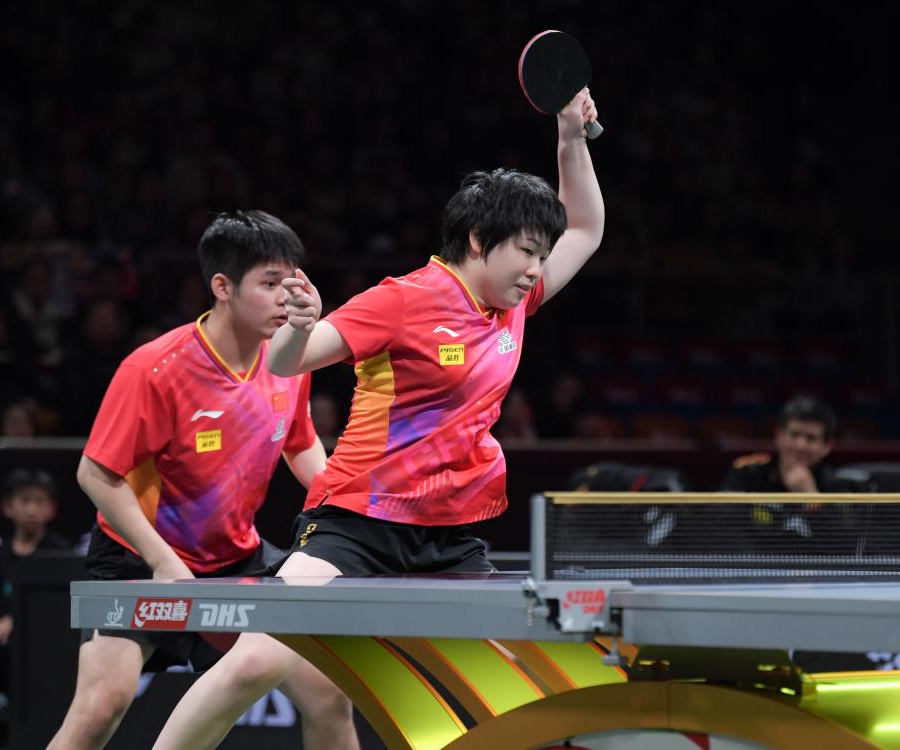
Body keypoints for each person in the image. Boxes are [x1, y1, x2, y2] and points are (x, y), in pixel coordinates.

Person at [153, 88, 602, 750]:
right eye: (527, 252)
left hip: (449, 535)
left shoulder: (513, 302)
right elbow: (287, 362)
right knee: (257, 659)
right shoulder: (402, 300)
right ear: (479, 241)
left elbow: (586, 230)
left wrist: (570, 138)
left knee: (517, 676)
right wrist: (297, 324)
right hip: (357, 523)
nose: (537, 270)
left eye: (543, 255)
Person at [47, 211, 357, 750]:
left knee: (330, 697)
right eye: (269, 284)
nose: (285, 299)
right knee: (98, 710)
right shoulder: (156, 369)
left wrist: (347, 505)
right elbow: (94, 474)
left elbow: (300, 441)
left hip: (236, 559)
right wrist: (163, 560)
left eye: (291, 283)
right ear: (222, 287)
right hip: (139, 560)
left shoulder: (288, 360)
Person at [0, 469, 70, 697]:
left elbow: (61, 612)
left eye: (39, 502)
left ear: (52, 509)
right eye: (24, 501)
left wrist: (16, 621)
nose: (32, 510)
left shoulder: (60, 554)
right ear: (8, 507)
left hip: (43, 655)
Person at [721, 395, 845, 494]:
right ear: (779, 436)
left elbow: (842, 519)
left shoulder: (837, 486)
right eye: (794, 435)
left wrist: (811, 498)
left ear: (827, 446)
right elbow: (722, 516)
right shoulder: (746, 473)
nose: (800, 446)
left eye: (811, 438)